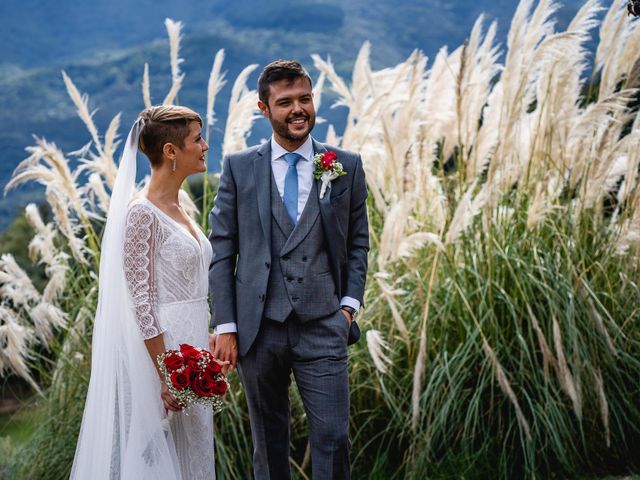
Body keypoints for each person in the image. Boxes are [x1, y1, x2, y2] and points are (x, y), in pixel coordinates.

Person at [209, 59, 369, 480]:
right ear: (264, 109)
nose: (298, 109)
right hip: (258, 329)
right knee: (269, 443)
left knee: (333, 439)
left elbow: (358, 242)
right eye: (285, 103)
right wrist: (226, 324)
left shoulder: (345, 165)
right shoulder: (239, 167)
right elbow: (222, 249)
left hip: (323, 324)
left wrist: (348, 308)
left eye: (304, 99)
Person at [71, 105, 215, 479]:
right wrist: (168, 374)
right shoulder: (141, 214)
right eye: (197, 139)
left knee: (194, 457)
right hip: (164, 356)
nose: (205, 146)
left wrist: (210, 337)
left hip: (195, 347)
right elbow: (142, 303)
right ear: (171, 151)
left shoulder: (178, 206)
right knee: (164, 460)